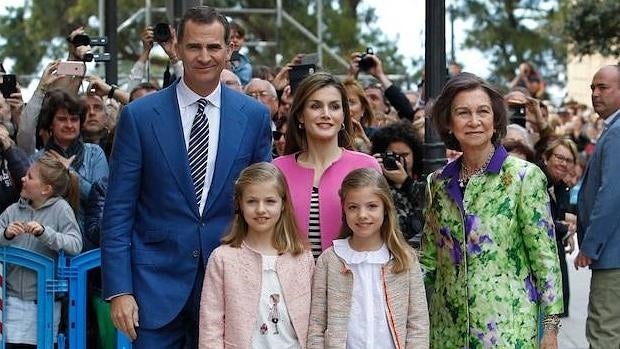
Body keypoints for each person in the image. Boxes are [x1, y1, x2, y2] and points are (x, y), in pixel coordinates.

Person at [101, 6, 272, 348]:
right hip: (153, 288)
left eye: (213, 47)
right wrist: (119, 289)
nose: (204, 56)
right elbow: (118, 209)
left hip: (229, 283)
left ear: (229, 50)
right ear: (177, 47)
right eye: (194, 47)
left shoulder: (254, 117)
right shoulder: (139, 116)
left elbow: (264, 205)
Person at [421, 72, 563, 348]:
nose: (474, 121)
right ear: (449, 123)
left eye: (482, 111)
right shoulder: (437, 183)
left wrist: (551, 330)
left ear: (495, 119)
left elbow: (545, 260)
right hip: (447, 329)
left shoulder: (524, 178)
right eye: (463, 112)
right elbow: (429, 259)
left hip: (508, 329)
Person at [307, 168, 429, 349]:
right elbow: (317, 325)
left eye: (372, 206)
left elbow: (418, 324)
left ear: (385, 209)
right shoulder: (330, 260)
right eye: (353, 207)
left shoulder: (404, 259)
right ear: (344, 210)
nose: (362, 215)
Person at [199, 162, 313, 348]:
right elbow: (211, 325)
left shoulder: (302, 257)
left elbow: (315, 320)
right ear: (240, 205)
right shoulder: (222, 259)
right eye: (252, 201)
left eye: (270, 201)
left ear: (283, 204)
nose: (261, 209)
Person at [273, 72, 380, 259]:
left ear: (343, 115)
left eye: (334, 106)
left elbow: (382, 233)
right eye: (315, 106)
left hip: (350, 282)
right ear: (300, 115)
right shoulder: (277, 169)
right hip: (289, 284)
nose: (326, 114)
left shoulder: (366, 165)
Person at [0, 155, 82, 348]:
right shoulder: (12, 210)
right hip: (10, 300)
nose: (23, 178)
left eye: (29, 176)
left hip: (43, 303)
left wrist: (46, 234)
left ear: (46, 189)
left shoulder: (62, 209)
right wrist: (6, 234)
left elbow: (75, 244)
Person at [575, 64, 620, 348]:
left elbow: (611, 194)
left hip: (612, 254)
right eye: (593, 87)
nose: (595, 93)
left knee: (604, 333)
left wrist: (589, 246)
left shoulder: (616, 132)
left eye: (603, 87)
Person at [35, 89, 109, 231]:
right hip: (48, 240)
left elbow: (102, 202)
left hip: (88, 243)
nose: (69, 125)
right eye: (62, 119)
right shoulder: (37, 159)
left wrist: (70, 172)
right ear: (50, 123)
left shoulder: (94, 153)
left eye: (74, 119)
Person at [371, 120, 425, 247]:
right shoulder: (377, 185)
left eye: (405, 155)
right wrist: (372, 168)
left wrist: (406, 182)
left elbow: (431, 203)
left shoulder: (424, 178)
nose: (399, 160)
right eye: (393, 155)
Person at [540, 138, 578, 318]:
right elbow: (538, 221)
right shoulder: (535, 180)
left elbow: (560, 217)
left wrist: (566, 231)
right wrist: (563, 228)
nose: (563, 163)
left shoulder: (561, 186)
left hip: (553, 257)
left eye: (568, 160)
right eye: (559, 157)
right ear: (546, 158)